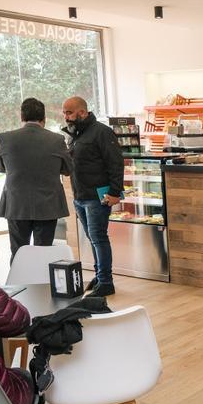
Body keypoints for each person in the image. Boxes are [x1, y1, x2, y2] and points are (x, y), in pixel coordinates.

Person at [0, 97, 72, 260]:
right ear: (43, 118)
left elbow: (0, 167)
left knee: (18, 252)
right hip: (47, 205)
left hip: (16, 204)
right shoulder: (57, 140)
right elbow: (68, 169)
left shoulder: (5, 138)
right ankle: (42, 285)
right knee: (43, 254)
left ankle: (20, 285)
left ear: (21, 117)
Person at [62, 96, 124, 297]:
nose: (65, 117)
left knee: (98, 237)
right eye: (64, 113)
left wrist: (115, 192)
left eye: (69, 112)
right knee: (93, 237)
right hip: (80, 195)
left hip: (97, 196)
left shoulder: (102, 132)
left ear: (81, 112)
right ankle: (100, 276)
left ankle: (106, 282)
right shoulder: (74, 134)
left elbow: (115, 163)